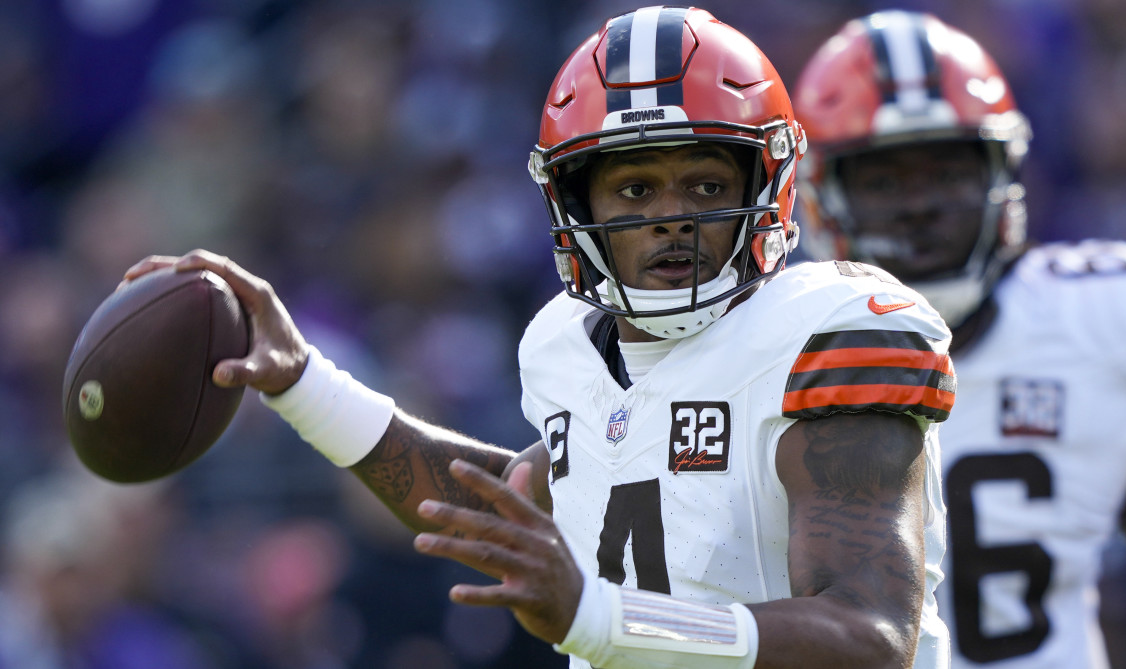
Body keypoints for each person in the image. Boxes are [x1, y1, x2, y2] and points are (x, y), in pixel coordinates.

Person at [125, 7, 957, 668]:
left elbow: (867, 634)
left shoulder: (830, 331)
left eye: (704, 182)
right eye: (633, 188)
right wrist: (304, 382)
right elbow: (500, 506)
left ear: (766, 185)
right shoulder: (566, 349)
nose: (670, 217)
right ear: (576, 206)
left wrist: (598, 618)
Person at [790, 10, 1126, 669]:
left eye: (946, 169)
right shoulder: (766, 354)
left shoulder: (1101, 318)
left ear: (1001, 173)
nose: (919, 204)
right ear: (818, 194)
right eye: (884, 178)